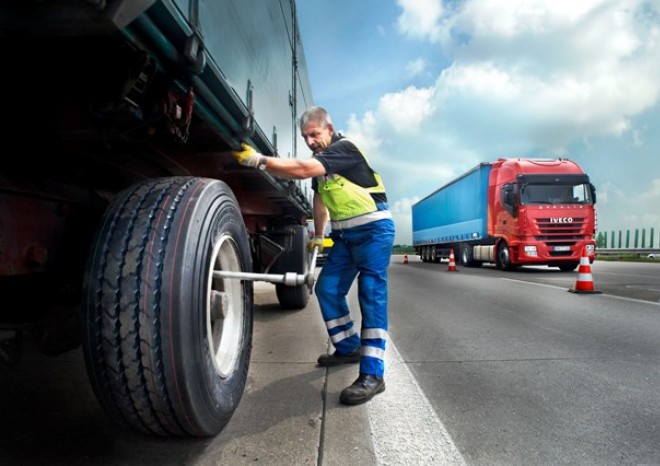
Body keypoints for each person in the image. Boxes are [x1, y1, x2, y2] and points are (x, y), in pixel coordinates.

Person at [231, 106, 395, 405]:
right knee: (326, 288)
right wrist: (319, 236)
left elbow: (305, 168)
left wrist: (261, 161)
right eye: (305, 137)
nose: (310, 141)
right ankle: (348, 347)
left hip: (374, 232)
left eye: (314, 134)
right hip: (345, 237)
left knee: (371, 295)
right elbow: (320, 200)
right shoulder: (323, 169)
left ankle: (373, 374)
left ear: (329, 130)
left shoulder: (344, 148)